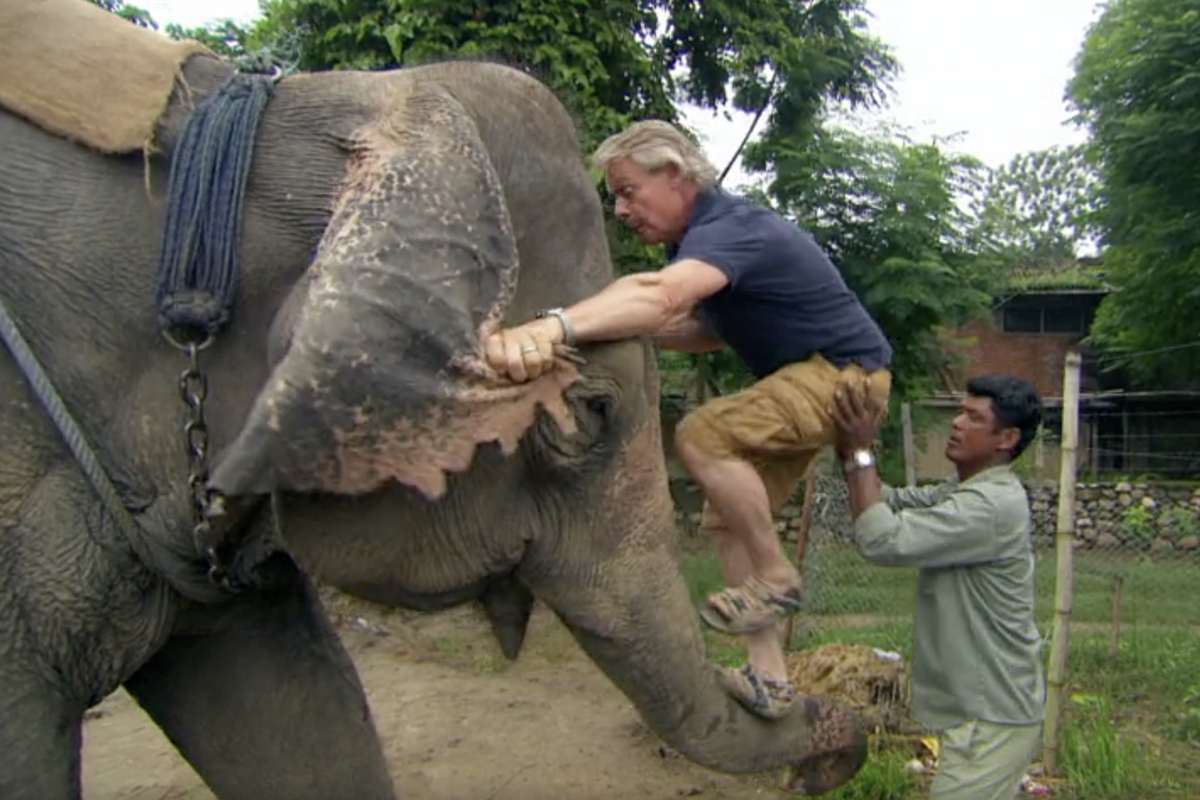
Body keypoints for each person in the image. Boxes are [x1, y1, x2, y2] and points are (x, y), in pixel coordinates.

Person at [483, 119, 893, 720]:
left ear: (675, 175)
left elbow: (660, 297)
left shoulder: (732, 228)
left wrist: (550, 326)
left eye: (628, 190)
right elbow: (701, 329)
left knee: (704, 434)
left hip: (843, 375)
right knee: (725, 519)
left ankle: (776, 576)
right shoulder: (697, 247)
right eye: (615, 196)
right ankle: (770, 680)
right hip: (808, 374)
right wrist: (585, 333)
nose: (621, 209)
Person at [831, 373, 1047, 800]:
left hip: (992, 719)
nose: (956, 424)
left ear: (1007, 438)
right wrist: (851, 448)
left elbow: (882, 539)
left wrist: (859, 450)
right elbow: (886, 501)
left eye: (973, 417)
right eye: (959, 413)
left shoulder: (989, 505)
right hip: (985, 714)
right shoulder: (965, 490)